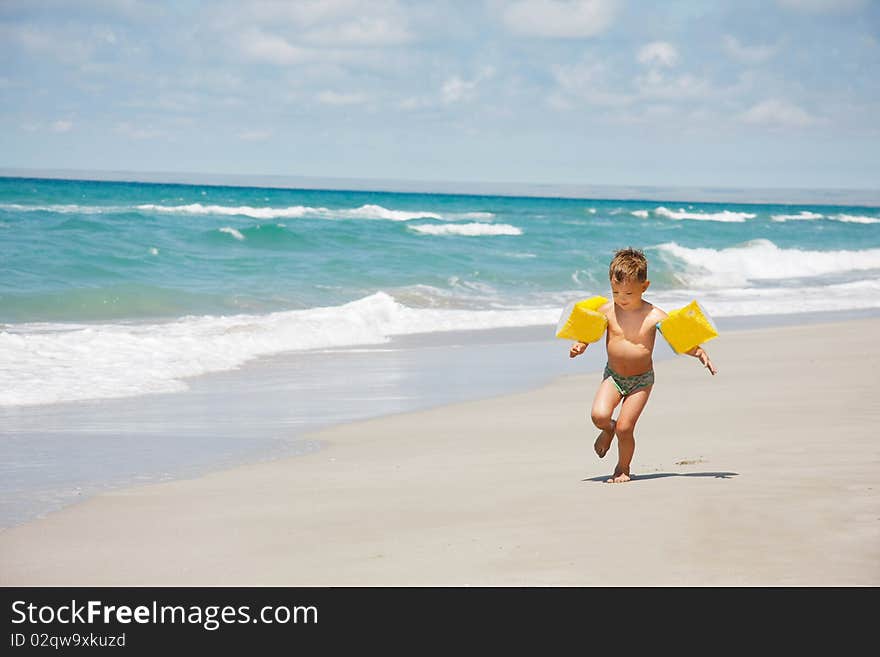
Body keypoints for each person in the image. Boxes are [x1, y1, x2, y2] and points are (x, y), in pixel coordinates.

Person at [568, 247, 717, 483]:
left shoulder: (655, 315)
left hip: (641, 381)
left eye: (627, 292)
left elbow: (677, 338)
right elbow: (590, 331)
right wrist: (581, 344)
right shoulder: (606, 310)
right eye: (615, 292)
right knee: (598, 416)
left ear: (644, 287)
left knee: (625, 429)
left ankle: (622, 468)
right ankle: (608, 429)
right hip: (614, 376)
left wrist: (698, 351)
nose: (621, 298)